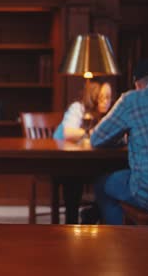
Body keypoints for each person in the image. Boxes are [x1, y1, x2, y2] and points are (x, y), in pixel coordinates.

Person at [90, 57, 148, 224]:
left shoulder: (133, 99)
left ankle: (125, 241)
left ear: (138, 84)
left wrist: (124, 138)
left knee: (102, 185)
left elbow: (97, 138)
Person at [52, 80, 113, 224]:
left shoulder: (110, 113)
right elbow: (68, 132)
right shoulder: (78, 108)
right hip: (64, 161)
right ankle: (71, 222)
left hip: (93, 161)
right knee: (73, 176)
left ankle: (93, 213)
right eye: (102, 96)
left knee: (111, 176)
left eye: (109, 97)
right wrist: (92, 132)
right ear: (93, 96)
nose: (106, 101)